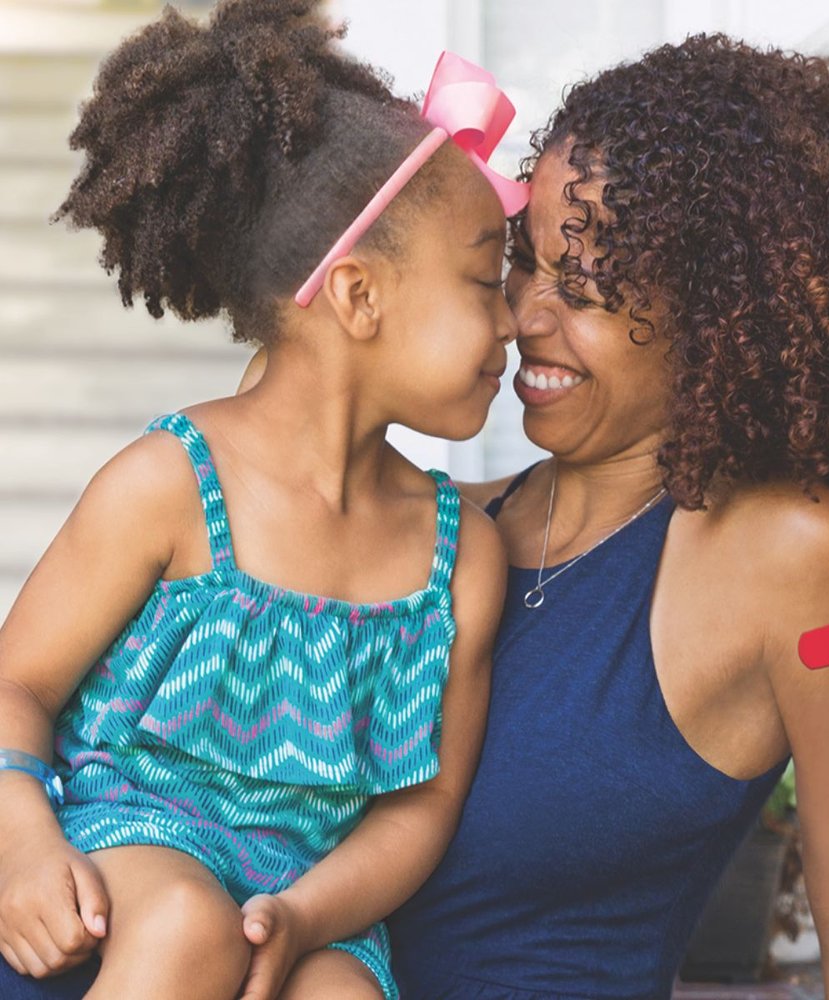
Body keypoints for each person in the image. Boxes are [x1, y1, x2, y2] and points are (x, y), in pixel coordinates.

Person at [383, 34, 829, 999]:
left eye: (583, 288)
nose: (523, 317)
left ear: (721, 314)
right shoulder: (433, 522)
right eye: (521, 266)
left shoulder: (809, 558)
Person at [0, 1, 527, 998]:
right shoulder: (171, 483)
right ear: (359, 297)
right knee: (189, 929)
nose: (511, 322)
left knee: (342, 994)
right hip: (135, 837)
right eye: (482, 280)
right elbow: (15, 682)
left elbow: (422, 805)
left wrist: (304, 917)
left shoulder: (461, 556)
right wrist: (21, 842)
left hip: (312, 895)